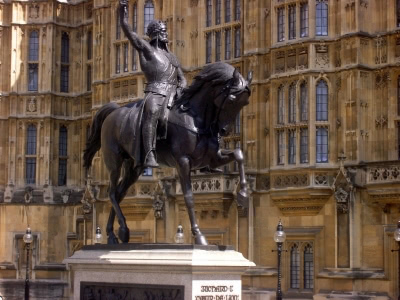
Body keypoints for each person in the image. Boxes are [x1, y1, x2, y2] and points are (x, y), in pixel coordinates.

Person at [119, 0, 187, 168]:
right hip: (156, 92)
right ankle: (149, 153)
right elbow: (129, 33)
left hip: (173, 93)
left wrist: (182, 88)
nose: (166, 34)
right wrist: (123, 15)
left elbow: (182, 78)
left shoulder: (172, 57)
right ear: (156, 33)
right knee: (152, 112)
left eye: (166, 31)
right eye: (163, 31)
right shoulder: (148, 50)